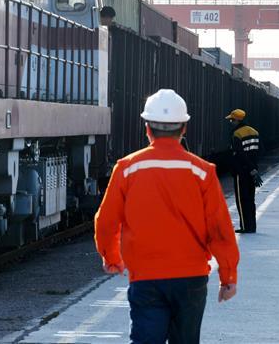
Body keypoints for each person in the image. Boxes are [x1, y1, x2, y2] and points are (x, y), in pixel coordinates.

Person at [95, 89, 240, 344]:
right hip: (191, 278)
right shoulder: (202, 172)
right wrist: (228, 277)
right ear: (184, 128)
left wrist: (112, 257)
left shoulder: (127, 169)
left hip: (146, 278)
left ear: (147, 129)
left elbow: (106, 220)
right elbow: (219, 229)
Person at [226, 109, 262, 234]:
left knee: (241, 200)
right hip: (253, 170)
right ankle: (252, 226)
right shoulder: (254, 132)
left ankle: (245, 227)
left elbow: (239, 154)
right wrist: (254, 169)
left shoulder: (237, 134)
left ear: (236, 120)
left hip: (241, 171)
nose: (230, 122)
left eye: (231, 119)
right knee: (250, 199)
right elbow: (258, 152)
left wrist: (248, 168)